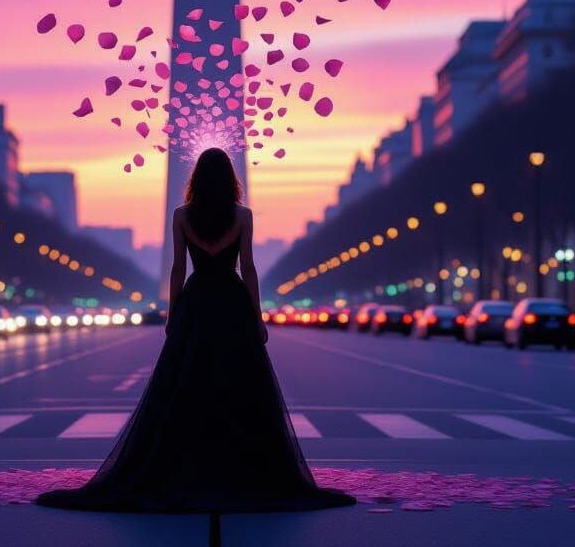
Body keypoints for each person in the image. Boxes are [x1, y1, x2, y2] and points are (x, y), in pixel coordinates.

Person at [37, 147, 355, 514]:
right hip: (232, 304)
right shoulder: (243, 216)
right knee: (239, 384)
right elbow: (248, 269)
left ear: (197, 180)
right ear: (230, 180)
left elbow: (177, 269)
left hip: (197, 302)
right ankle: (239, 465)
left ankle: (187, 461)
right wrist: (258, 315)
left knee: (188, 383)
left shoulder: (182, 216)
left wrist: (174, 314)